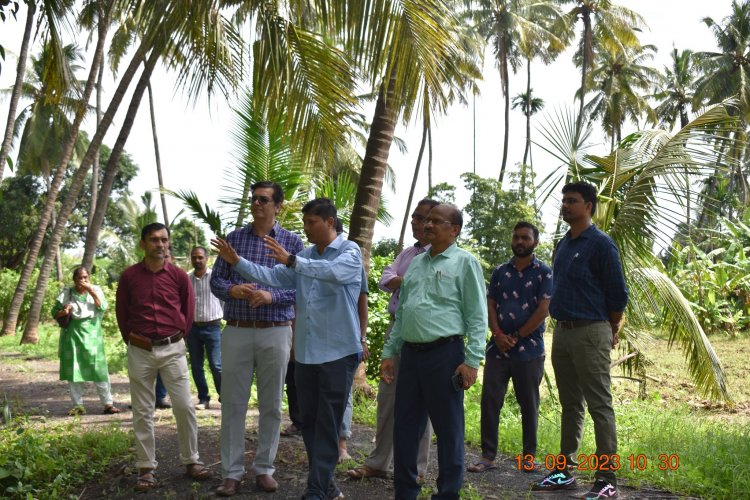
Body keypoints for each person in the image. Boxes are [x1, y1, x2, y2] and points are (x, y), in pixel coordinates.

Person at [212, 197, 362, 500]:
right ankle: (326, 483)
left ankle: (317, 489)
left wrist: (293, 261)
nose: (305, 229)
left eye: (311, 223)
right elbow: (272, 277)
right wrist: (237, 262)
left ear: (329, 222)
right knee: (307, 420)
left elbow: (333, 272)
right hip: (306, 353)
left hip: (338, 353)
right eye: (304, 223)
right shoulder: (305, 254)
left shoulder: (350, 251)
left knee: (328, 422)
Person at [380, 203, 487, 500]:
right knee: (405, 427)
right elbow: (403, 313)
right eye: (426, 221)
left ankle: (448, 493)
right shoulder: (416, 263)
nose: (427, 226)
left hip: (445, 356)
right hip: (411, 356)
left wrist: (472, 361)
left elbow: (478, 316)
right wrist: (389, 352)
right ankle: (405, 492)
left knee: (448, 429)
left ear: (454, 230)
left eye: (436, 222)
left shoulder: (465, 263)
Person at [531, 182, 628, 500]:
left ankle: (606, 479)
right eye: (563, 201)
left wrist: (609, 328)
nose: (565, 206)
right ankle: (564, 472)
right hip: (562, 332)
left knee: (600, 405)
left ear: (589, 205)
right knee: (571, 404)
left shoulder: (602, 245)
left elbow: (618, 295)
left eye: (571, 201)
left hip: (591, 330)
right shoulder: (564, 243)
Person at [210, 181, 304, 496]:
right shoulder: (234, 240)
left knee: (272, 405)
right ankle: (231, 473)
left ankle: (265, 469)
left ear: (278, 206)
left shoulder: (292, 243)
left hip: (275, 331)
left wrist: (271, 295)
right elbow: (216, 280)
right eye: (253, 199)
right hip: (236, 328)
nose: (256, 204)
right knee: (233, 404)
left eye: (264, 200)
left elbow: (302, 288)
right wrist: (231, 290)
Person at [347, 198, 438, 480]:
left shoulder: (440, 256)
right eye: (414, 216)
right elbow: (386, 278)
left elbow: (416, 285)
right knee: (387, 398)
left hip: (427, 335)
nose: (416, 222)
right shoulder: (408, 253)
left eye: (422, 217)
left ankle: (416, 470)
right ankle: (377, 463)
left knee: (423, 404)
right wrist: (403, 279)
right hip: (397, 329)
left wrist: (402, 279)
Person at [115, 222, 210, 492]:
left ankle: (192, 461)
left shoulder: (179, 276)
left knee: (184, 406)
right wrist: (134, 341)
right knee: (143, 411)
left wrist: (178, 336)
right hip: (140, 350)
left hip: (172, 349)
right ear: (143, 243)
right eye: (154, 239)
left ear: (168, 243)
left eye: (164, 240)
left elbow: (188, 312)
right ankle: (146, 468)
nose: (160, 244)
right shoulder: (129, 276)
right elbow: (122, 313)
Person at [467, 221, 552, 474]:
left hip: (530, 350)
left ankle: (529, 457)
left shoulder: (544, 272)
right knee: (490, 402)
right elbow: (490, 304)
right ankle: (487, 456)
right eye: (516, 237)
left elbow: (543, 309)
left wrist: (515, 335)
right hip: (498, 349)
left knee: (529, 404)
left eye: (525, 238)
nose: (519, 241)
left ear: (535, 242)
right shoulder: (500, 271)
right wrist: (498, 333)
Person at [52, 266, 120, 416]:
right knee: (74, 372)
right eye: (79, 278)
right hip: (73, 337)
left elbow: (102, 306)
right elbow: (54, 312)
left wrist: (91, 291)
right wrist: (64, 312)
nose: (82, 281)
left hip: (93, 337)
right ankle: (78, 406)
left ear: (89, 278)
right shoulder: (67, 293)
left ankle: (108, 404)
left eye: (85, 278)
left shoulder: (95, 290)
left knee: (100, 371)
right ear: (74, 280)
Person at [187, 246, 224, 410]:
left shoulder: (214, 277)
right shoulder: (187, 279)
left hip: (213, 327)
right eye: (194, 257)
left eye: (200, 257)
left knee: (216, 364)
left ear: (207, 258)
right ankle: (203, 398)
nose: (197, 260)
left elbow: (224, 299)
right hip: (193, 329)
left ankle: (225, 396)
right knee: (196, 365)